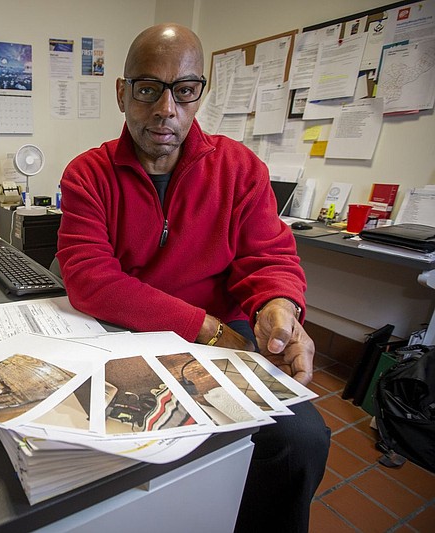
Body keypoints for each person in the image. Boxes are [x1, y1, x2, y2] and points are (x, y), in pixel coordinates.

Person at [56, 23, 330, 532]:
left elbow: (268, 256)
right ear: (122, 93)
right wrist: (204, 327)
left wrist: (278, 305)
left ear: (199, 94)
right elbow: (91, 279)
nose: (166, 110)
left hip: (227, 339)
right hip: (124, 336)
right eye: (148, 89)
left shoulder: (240, 169)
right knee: (94, 444)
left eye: (184, 92)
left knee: (302, 441)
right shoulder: (87, 174)